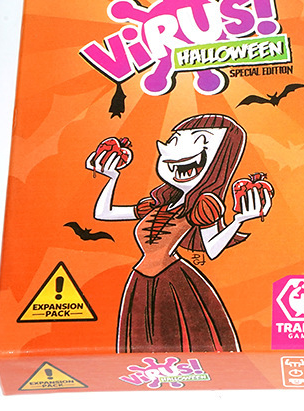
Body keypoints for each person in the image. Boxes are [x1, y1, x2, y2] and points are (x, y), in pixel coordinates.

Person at [86, 113, 271, 353]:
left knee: (183, 341)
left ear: (220, 161)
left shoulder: (205, 204)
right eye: (174, 141)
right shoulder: (160, 203)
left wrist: (239, 220)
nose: (173, 151)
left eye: (202, 141)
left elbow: (212, 250)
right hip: (140, 281)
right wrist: (112, 178)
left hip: (172, 282)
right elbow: (104, 213)